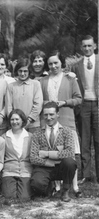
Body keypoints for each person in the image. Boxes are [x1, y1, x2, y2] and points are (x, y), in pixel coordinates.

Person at [40, 50, 82, 195]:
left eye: (56, 63)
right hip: (50, 122)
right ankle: (57, 187)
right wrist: (48, 103)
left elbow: (78, 98)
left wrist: (65, 102)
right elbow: (39, 100)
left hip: (66, 120)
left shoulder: (70, 79)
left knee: (69, 155)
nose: (53, 66)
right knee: (54, 152)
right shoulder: (43, 81)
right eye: (50, 63)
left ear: (61, 63)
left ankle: (74, 186)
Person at [30, 102, 76, 202]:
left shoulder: (66, 131)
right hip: (44, 167)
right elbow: (33, 157)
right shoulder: (37, 133)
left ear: (57, 114)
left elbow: (70, 152)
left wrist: (47, 154)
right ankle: (48, 189)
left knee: (70, 162)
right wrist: (48, 162)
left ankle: (65, 190)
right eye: (46, 115)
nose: (48, 117)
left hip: (61, 167)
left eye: (51, 114)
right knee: (36, 183)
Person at [70, 35, 99, 184]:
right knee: (85, 141)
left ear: (94, 46)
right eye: (84, 46)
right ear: (81, 48)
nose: (87, 49)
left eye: (90, 46)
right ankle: (86, 175)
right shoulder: (76, 65)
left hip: (98, 105)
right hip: (84, 105)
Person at [6, 57, 43, 134]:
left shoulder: (36, 84)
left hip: (33, 125)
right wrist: (14, 121)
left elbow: (38, 104)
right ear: (17, 71)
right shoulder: (11, 86)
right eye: (20, 71)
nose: (22, 74)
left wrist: (29, 120)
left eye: (25, 71)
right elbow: (9, 106)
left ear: (29, 71)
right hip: (16, 125)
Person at [2, 109, 33, 200]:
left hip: (25, 171)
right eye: (12, 120)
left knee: (24, 198)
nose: (14, 122)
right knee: (9, 197)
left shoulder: (30, 136)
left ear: (22, 120)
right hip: (9, 171)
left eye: (17, 119)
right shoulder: (4, 137)